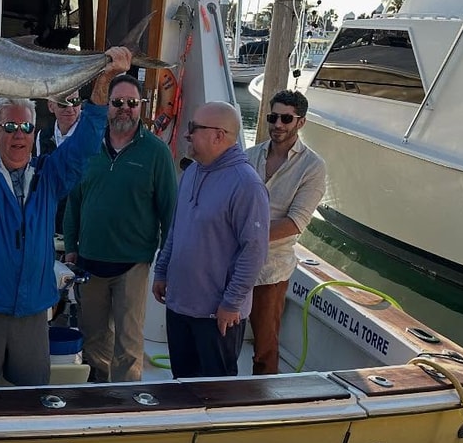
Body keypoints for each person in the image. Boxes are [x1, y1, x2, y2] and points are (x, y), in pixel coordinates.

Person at [0, 46, 132, 389]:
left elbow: (86, 141)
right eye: (10, 126)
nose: (18, 134)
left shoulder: (50, 176)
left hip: (32, 313)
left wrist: (105, 78)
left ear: (33, 133)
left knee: (33, 398)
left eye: (25, 127)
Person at [63, 75, 176, 382]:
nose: (124, 109)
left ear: (142, 106)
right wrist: (71, 247)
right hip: (88, 261)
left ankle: (126, 402)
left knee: (128, 341)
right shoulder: (87, 146)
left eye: (132, 103)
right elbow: (74, 201)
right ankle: (98, 395)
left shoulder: (157, 152)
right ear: (107, 106)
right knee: (93, 338)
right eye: (117, 103)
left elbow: (171, 213)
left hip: (133, 265)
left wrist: (164, 268)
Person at [152, 101, 269, 378]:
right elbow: (175, 228)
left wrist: (231, 304)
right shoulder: (191, 172)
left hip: (216, 315)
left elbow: (254, 252)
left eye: (194, 128)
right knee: (181, 383)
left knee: (214, 392)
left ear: (219, 135)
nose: (187, 134)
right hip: (180, 305)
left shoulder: (247, 185)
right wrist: (161, 270)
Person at [245, 89, 326, 375]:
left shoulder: (313, 167)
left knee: (265, 344)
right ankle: (221, 391)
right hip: (233, 262)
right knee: (222, 331)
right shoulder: (249, 155)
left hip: (272, 268)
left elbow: (295, 222)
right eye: (273, 117)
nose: (278, 124)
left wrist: (245, 237)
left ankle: (261, 401)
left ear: (300, 122)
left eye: (286, 119)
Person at [38, 88, 83, 235]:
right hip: (52, 221)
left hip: (81, 222)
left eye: (75, 102)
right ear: (51, 106)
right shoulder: (42, 135)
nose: (70, 108)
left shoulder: (90, 134)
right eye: (63, 103)